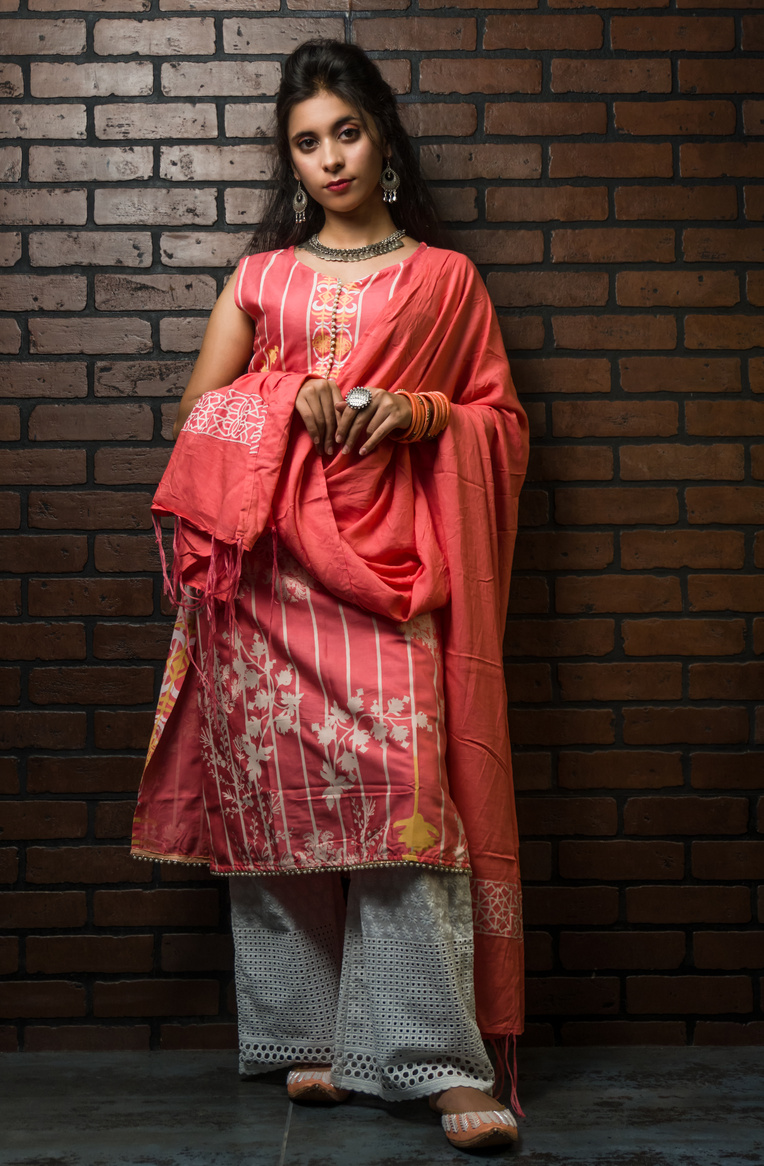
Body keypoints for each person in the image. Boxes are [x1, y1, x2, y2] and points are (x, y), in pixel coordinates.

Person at [131, 38, 529, 1152]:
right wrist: (287, 391)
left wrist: (421, 415)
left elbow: (498, 423)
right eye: (305, 142)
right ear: (289, 159)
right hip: (266, 579)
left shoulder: (445, 280)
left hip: (396, 569)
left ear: (384, 138)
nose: (328, 158)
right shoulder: (260, 280)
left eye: (344, 132)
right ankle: (304, 1036)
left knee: (407, 797)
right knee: (280, 800)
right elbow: (196, 418)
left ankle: (432, 1059)